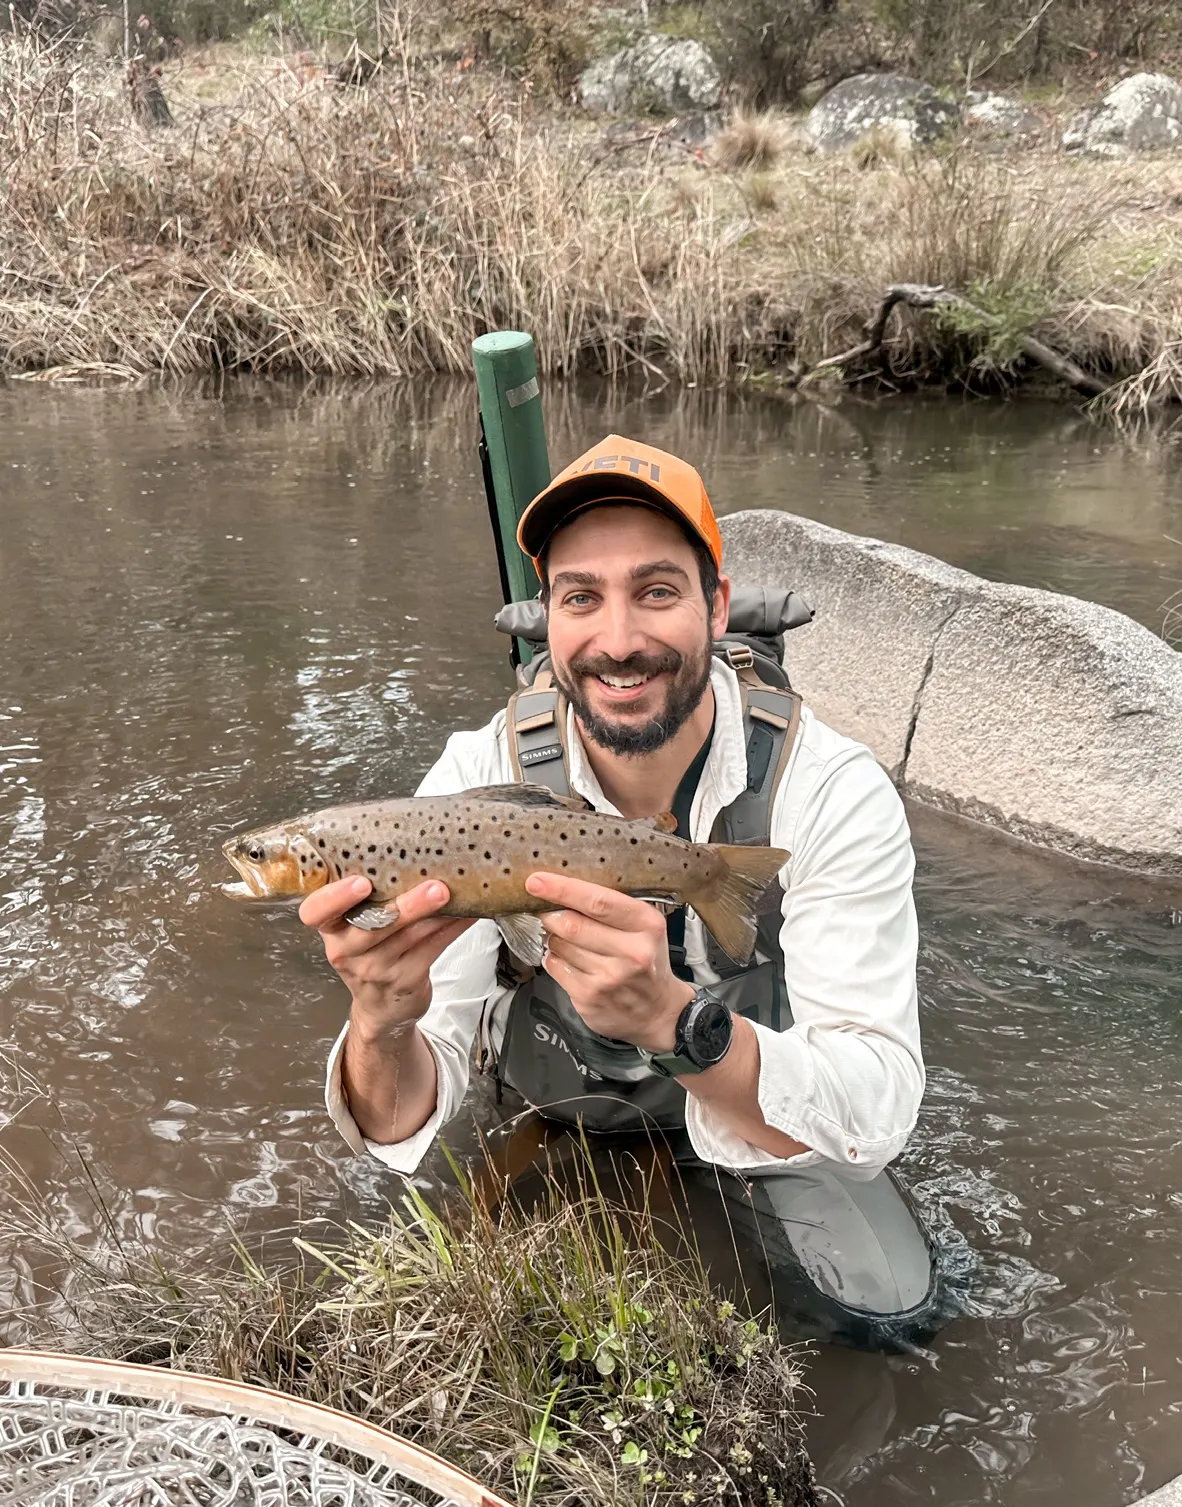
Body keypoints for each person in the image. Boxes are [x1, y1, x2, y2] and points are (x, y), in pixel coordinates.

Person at [302, 434, 942, 1349]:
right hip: (561, 1111)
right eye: (581, 598)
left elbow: (877, 1102)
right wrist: (380, 1017)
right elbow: (403, 1115)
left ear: (716, 608)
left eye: (656, 591)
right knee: (514, 1344)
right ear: (548, 617)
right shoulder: (472, 779)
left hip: (760, 1111)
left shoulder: (829, 790)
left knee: (891, 1317)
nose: (619, 641)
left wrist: (674, 1023)